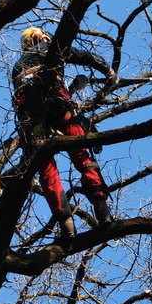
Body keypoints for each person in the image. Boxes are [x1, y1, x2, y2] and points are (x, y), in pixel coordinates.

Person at [11, 27, 118, 239]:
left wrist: (73, 87)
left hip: (29, 115)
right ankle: (101, 207)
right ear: (40, 37)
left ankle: (66, 223)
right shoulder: (48, 48)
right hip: (57, 103)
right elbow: (83, 56)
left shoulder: (17, 67)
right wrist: (108, 71)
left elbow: (34, 86)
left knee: (45, 166)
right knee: (80, 151)